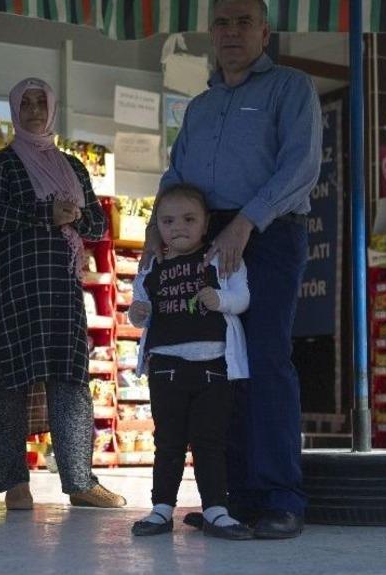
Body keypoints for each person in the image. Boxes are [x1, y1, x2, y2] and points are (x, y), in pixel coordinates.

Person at [146, 0, 322, 539]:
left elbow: (301, 167)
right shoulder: (199, 107)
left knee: (266, 361)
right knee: (217, 370)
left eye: (244, 22)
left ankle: (280, 498)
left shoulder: (291, 89)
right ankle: (233, 500)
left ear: (264, 33)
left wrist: (246, 222)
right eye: (221, 23)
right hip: (201, 242)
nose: (230, 32)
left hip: (266, 234)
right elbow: (176, 175)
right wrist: (157, 229)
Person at [0, 77, 126, 511]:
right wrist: (47, 214)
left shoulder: (73, 168)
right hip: (12, 286)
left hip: (61, 288)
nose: (35, 109)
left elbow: (97, 225)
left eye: (42, 101)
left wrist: (73, 216)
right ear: (15, 110)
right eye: (27, 102)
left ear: (52, 108)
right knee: (10, 380)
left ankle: (80, 482)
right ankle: (13, 483)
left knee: (70, 380)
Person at [128, 183, 251, 540]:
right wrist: (138, 314)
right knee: (167, 441)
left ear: (206, 222)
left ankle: (215, 509)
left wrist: (222, 300)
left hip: (215, 366)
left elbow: (242, 298)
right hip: (165, 367)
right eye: (167, 221)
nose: (177, 227)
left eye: (188, 219)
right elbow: (141, 310)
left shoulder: (220, 258)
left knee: (210, 441)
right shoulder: (151, 265)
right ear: (157, 227)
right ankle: (161, 508)